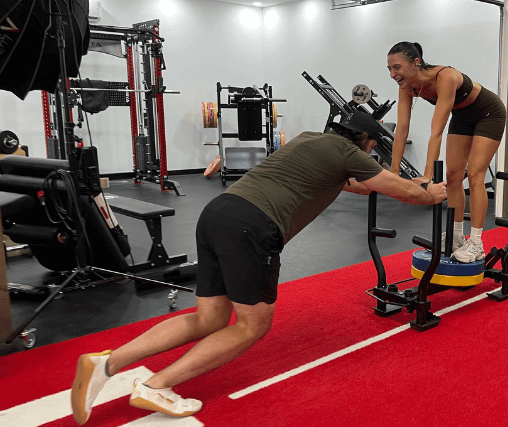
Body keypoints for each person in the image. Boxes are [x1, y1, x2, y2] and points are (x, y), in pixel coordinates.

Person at [70, 111, 447, 425]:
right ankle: (155, 387)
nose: (372, 152)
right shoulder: (349, 152)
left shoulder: (308, 139)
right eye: (372, 146)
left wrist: (407, 183)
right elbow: (404, 194)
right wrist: (429, 193)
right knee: (253, 325)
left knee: (209, 318)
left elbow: (364, 186)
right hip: (253, 228)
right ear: (363, 140)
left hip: (218, 214)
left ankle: (106, 363)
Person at [386, 41, 506, 264]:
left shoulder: (446, 77)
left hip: (488, 113)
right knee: (452, 177)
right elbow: (402, 130)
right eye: (390, 69)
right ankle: (457, 237)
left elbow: (436, 131)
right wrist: (393, 172)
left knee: (475, 175)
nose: (393, 74)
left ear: (416, 62)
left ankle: (477, 242)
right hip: (462, 117)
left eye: (397, 67)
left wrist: (428, 176)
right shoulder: (407, 87)